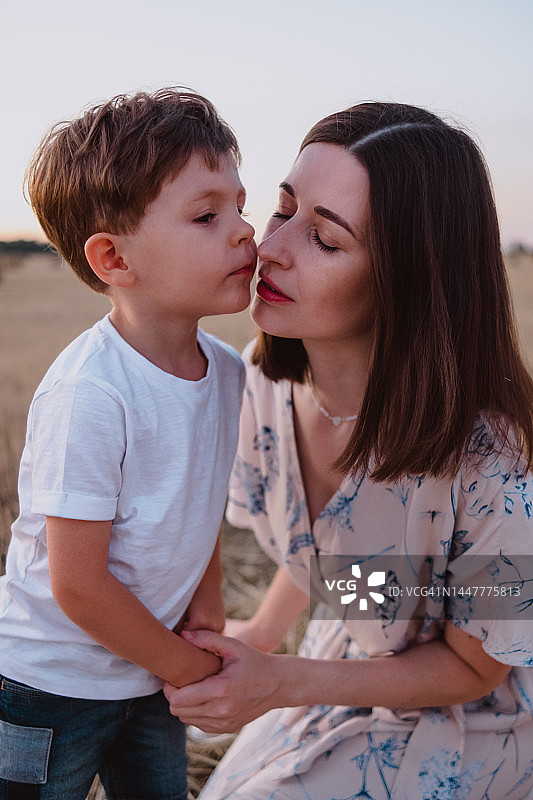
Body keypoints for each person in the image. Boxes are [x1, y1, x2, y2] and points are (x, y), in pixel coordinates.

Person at [164, 102, 533, 799]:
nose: (269, 247)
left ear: (409, 280)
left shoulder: (491, 458)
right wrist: (268, 632)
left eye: (325, 239)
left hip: (476, 715)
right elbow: (343, 558)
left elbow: (475, 667)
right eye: (283, 209)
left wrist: (282, 683)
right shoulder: (260, 385)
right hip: (345, 658)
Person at [0, 88, 256, 799]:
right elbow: (76, 584)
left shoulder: (230, 374)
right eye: (207, 215)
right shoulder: (93, 392)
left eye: (241, 204)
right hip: (46, 685)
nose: (244, 230)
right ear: (114, 257)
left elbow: (195, 505)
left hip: (149, 672)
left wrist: (205, 601)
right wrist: (185, 666)